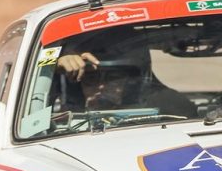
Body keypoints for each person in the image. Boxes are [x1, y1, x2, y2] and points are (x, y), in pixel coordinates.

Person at [56, 48, 196, 118]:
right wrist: (52, 68)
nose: (101, 86)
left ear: (131, 82)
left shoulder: (163, 109)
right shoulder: (65, 119)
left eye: (113, 78)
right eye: (91, 79)